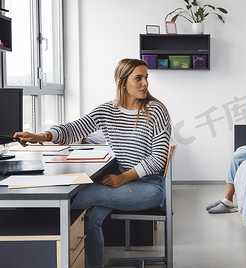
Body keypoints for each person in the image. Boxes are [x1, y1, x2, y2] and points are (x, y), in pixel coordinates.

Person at [14, 58, 171, 268]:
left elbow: (158, 158)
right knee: (89, 219)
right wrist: (40, 136)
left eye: (146, 78)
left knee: (84, 195)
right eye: (138, 78)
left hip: (149, 186)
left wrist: (122, 178)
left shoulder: (156, 110)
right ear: (122, 82)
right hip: (122, 184)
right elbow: (73, 129)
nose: (145, 84)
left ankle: (51, 250)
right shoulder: (107, 111)